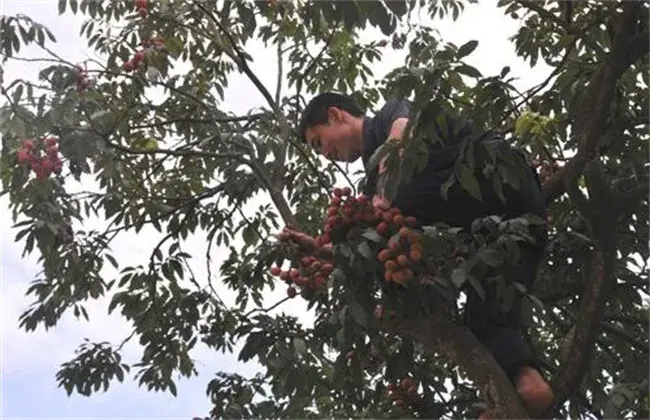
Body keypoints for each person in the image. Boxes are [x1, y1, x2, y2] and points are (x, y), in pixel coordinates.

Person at [277, 92, 554, 418]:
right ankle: (528, 388)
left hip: (497, 176)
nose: (325, 154)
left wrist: (380, 197)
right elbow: (367, 239)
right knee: (486, 321)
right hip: (513, 232)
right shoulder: (376, 187)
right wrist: (315, 249)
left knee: (390, 218)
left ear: (336, 115)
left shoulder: (386, 119)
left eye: (319, 142)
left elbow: (400, 137)